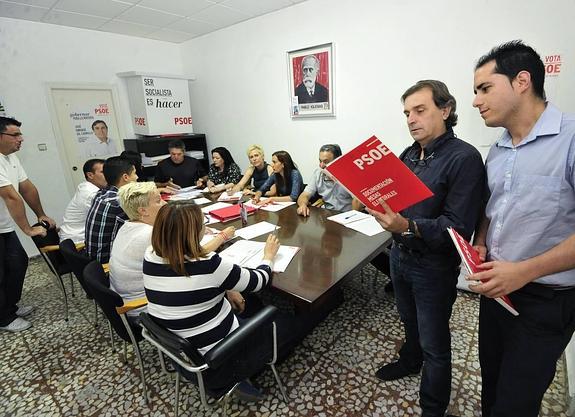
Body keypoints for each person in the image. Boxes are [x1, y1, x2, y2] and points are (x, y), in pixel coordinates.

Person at [470, 40, 575, 417]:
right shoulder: (497, 148)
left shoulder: (571, 139)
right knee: (492, 384)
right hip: (497, 291)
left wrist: (523, 271)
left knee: (516, 403)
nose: (476, 101)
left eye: (484, 88)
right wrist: (481, 241)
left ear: (521, 81)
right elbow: (492, 207)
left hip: (545, 301)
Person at [367, 80, 485, 417]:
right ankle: (409, 360)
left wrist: (407, 226)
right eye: (407, 113)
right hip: (400, 257)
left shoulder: (464, 158)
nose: (411, 119)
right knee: (408, 320)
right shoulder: (408, 154)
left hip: (433, 267)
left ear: (445, 110)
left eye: (420, 110)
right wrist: (373, 202)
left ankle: (433, 407)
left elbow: (458, 226)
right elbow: (396, 202)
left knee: (435, 343)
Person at [142, 202, 298, 401]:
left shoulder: (151, 255)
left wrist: (227, 287)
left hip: (183, 355)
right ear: (192, 234)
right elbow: (258, 281)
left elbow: (197, 278)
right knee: (289, 321)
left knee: (246, 301)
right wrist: (268, 256)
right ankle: (240, 375)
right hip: (219, 361)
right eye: (202, 225)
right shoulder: (207, 264)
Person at [110, 182, 236, 320]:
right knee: (220, 279)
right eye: (158, 201)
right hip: (145, 307)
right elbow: (195, 256)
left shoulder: (128, 226)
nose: (165, 203)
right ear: (143, 211)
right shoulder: (150, 234)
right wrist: (222, 236)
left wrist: (197, 229)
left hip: (136, 297)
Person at [0, 116, 56, 332]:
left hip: (4, 226)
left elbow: (26, 188)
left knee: (17, 263)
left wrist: (41, 214)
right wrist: (27, 229)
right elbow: (11, 197)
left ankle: (9, 307)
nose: (20, 139)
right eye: (14, 135)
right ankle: (3, 318)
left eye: (20, 134)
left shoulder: (10, 158)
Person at [85, 156, 138, 264]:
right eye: (135, 173)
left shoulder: (101, 194)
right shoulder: (119, 203)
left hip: (93, 259)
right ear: (125, 177)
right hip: (106, 264)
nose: (137, 177)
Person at [297, 144, 357, 216]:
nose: (321, 165)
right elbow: (305, 195)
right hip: (328, 214)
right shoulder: (318, 173)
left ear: (337, 161)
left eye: (326, 162)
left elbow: (357, 200)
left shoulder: (349, 174)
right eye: (320, 161)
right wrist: (303, 205)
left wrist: (352, 217)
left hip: (346, 215)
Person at [59, 159, 106, 244]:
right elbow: (107, 217)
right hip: (77, 243)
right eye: (103, 172)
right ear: (90, 175)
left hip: (79, 237)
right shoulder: (90, 193)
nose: (108, 175)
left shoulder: (87, 187)